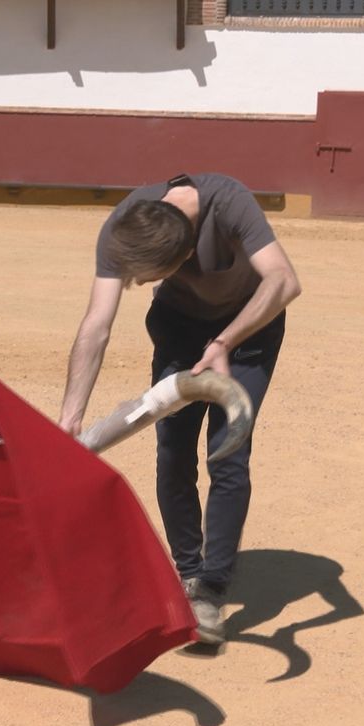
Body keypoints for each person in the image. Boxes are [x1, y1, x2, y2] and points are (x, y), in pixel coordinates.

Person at [58, 173, 301, 645]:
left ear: (185, 258)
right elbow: (97, 324)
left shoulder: (231, 203)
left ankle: (212, 587)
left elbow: (284, 280)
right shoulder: (126, 224)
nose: (133, 284)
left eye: (146, 278)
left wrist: (226, 340)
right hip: (178, 326)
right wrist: (71, 417)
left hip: (248, 329)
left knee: (227, 451)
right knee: (172, 448)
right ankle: (188, 573)